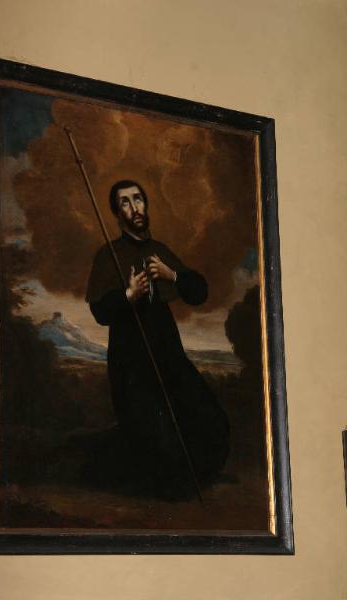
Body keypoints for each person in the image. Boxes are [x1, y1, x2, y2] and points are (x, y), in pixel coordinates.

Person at [86, 180, 229, 499]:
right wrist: (128, 295)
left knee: (209, 418)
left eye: (138, 199)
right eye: (125, 202)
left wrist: (171, 275)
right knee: (152, 433)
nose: (134, 207)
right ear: (116, 213)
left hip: (167, 351)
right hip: (131, 359)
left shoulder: (160, 252)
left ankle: (199, 473)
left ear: (146, 205)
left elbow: (199, 292)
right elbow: (99, 311)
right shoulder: (108, 255)